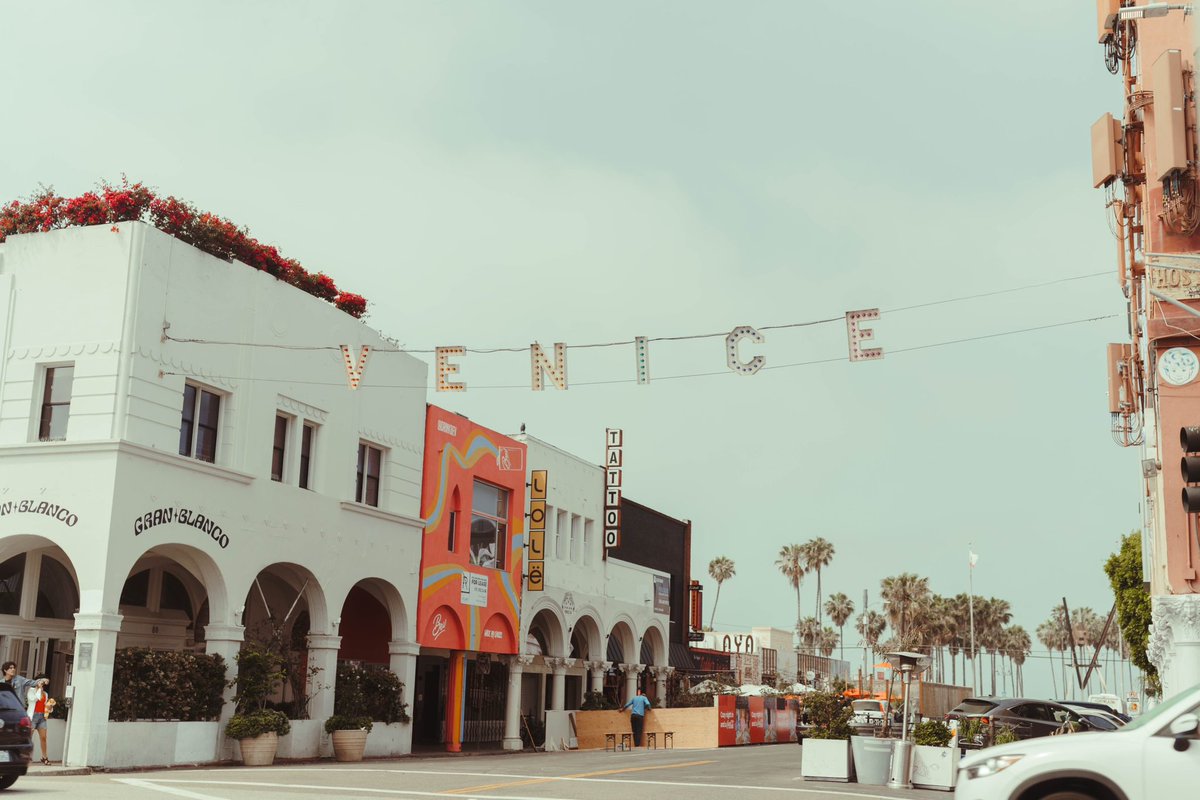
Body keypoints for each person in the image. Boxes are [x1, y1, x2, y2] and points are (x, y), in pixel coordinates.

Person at [25, 675, 53, 765]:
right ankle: (26, 757)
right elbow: (33, 700)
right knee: (29, 738)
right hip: (33, 717)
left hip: (42, 717)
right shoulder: (31, 691)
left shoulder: (45, 694)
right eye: (41, 682)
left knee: (43, 738)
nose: (42, 684)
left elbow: (45, 706)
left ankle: (44, 757)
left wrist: (50, 707)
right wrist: (39, 689)